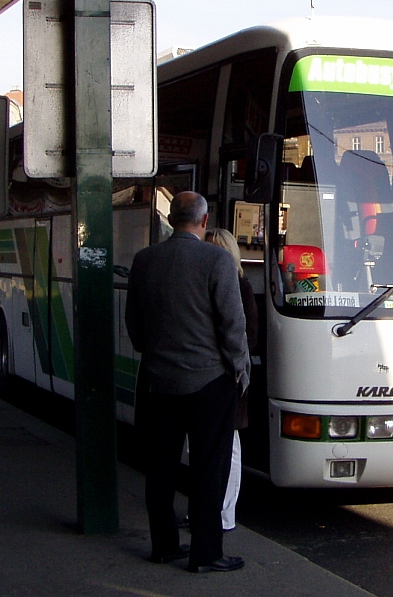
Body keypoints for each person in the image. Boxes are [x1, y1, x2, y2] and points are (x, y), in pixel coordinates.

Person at [125, 191, 248, 574]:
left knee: (160, 468)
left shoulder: (145, 260)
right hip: (210, 382)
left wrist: (153, 350)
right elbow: (233, 324)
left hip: (159, 381)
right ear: (204, 220)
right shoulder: (217, 260)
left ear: (171, 219)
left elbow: (135, 323)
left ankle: (163, 545)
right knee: (208, 470)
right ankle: (206, 552)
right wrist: (240, 369)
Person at [205, 228, 258, 532]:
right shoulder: (212, 283)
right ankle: (211, 508)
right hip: (217, 376)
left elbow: (249, 337)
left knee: (229, 446)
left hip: (232, 377)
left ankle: (224, 513)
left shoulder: (241, 287)